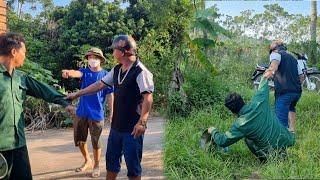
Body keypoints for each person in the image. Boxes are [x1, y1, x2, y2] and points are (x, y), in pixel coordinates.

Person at [66, 35, 154, 180]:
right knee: (111, 165)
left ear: (124, 52)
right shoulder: (117, 69)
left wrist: (142, 122)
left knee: (133, 168)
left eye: (115, 49)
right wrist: (77, 94)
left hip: (132, 129)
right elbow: (99, 84)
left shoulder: (141, 71)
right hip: (116, 128)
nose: (113, 52)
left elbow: (148, 98)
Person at [0, 32, 73, 180]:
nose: (25, 56)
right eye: (24, 52)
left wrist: (66, 103)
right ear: (14, 52)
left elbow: (45, 91)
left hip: (19, 144)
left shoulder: (22, 77)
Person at [207, 77, 295, 162]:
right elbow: (264, 78)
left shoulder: (240, 125)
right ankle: (283, 151)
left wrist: (213, 130)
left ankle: (266, 160)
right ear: (243, 100)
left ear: (232, 112)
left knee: (248, 139)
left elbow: (222, 141)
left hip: (272, 155)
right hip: (289, 140)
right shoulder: (259, 100)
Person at [61, 47, 113, 178]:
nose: (92, 59)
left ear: (100, 60)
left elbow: (110, 96)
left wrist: (112, 112)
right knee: (80, 140)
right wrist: (68, 72)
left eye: (95, 57)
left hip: (96, 114)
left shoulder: (106, 75)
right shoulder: (85, 72)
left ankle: (96, 165)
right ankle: (87, 160)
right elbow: (76, 73)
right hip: (81, 112)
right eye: (90, 57)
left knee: (96, 141)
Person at [264, 39, 304, 132]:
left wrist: (265, 77)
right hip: (297, 93)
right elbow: (302, 76)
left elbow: (273, 67)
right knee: (291, 107)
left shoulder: (275, 54)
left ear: (274, 49)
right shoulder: (293, 59)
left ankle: (282, 142)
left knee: (281, 123)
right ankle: (292, 132)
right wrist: (294, 84)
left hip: (284, 93)